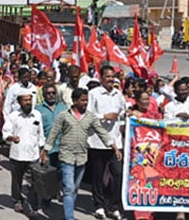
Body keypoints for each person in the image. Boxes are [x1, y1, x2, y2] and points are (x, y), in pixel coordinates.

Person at [41, 88, 122, 220]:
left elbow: (101, 132)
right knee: (69, 188)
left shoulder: (90, 117)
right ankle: (69, 217)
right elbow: (53, 133)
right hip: (67, 156)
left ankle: (68, 209)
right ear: (74, 101)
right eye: (82, 100)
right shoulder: (64, 115)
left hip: (82, 157)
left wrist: (114, 147)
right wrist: (45, 150)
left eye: (86, 100)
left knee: (75, 188)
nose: (85, 103)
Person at [87, 65, 126, 219]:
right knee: (97, 176)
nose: (110, 79)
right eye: (107, 76)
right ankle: (99, 206)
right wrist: (104, 116)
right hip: (98, 141)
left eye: (112, 76)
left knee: (117, 174)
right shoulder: (94, 94)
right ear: (101, 77)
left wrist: (124, 115)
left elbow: (122, 112)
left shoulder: (118, 94)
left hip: (116, 142)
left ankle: (113, 206)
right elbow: (88, 116)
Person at [2, 93, 45, 214]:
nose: (28, 102)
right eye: (25, 100)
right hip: (17, 154)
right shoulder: (13, 116)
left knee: (33, 181)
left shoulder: (37, 115)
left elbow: (40, 135)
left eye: (30, 100)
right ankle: (17, 200)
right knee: (17, 180)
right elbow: (6, 133)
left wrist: (43, 150)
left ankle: (33, 206)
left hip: (33, 155)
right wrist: (11, 138)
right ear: (20, 102)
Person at [35, 83, 67, 170]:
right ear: (44, 95)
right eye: (48, 93)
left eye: (53, 93)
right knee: (48, 175)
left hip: (62, 148)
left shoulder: (63, 107)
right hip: (46, 148)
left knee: (62, 174)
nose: (51, 95)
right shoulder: (38, 110)